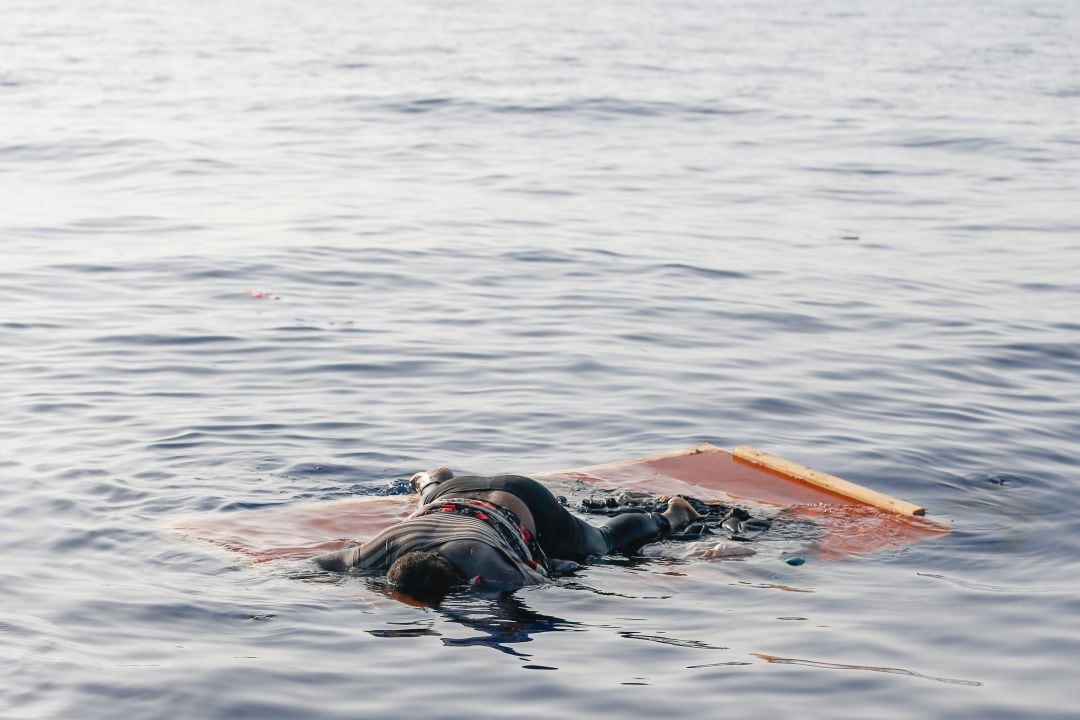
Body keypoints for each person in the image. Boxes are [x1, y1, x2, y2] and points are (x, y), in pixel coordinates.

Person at [313, 467, 700, 602]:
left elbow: (544, 576)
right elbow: (321, 564)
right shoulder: (381, 548)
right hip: (455, 493)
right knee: (429, 501)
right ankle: (432, 479)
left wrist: (561, 568)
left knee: (601, 544)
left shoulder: (481, 561)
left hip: (525, 499)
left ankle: (673, 516)